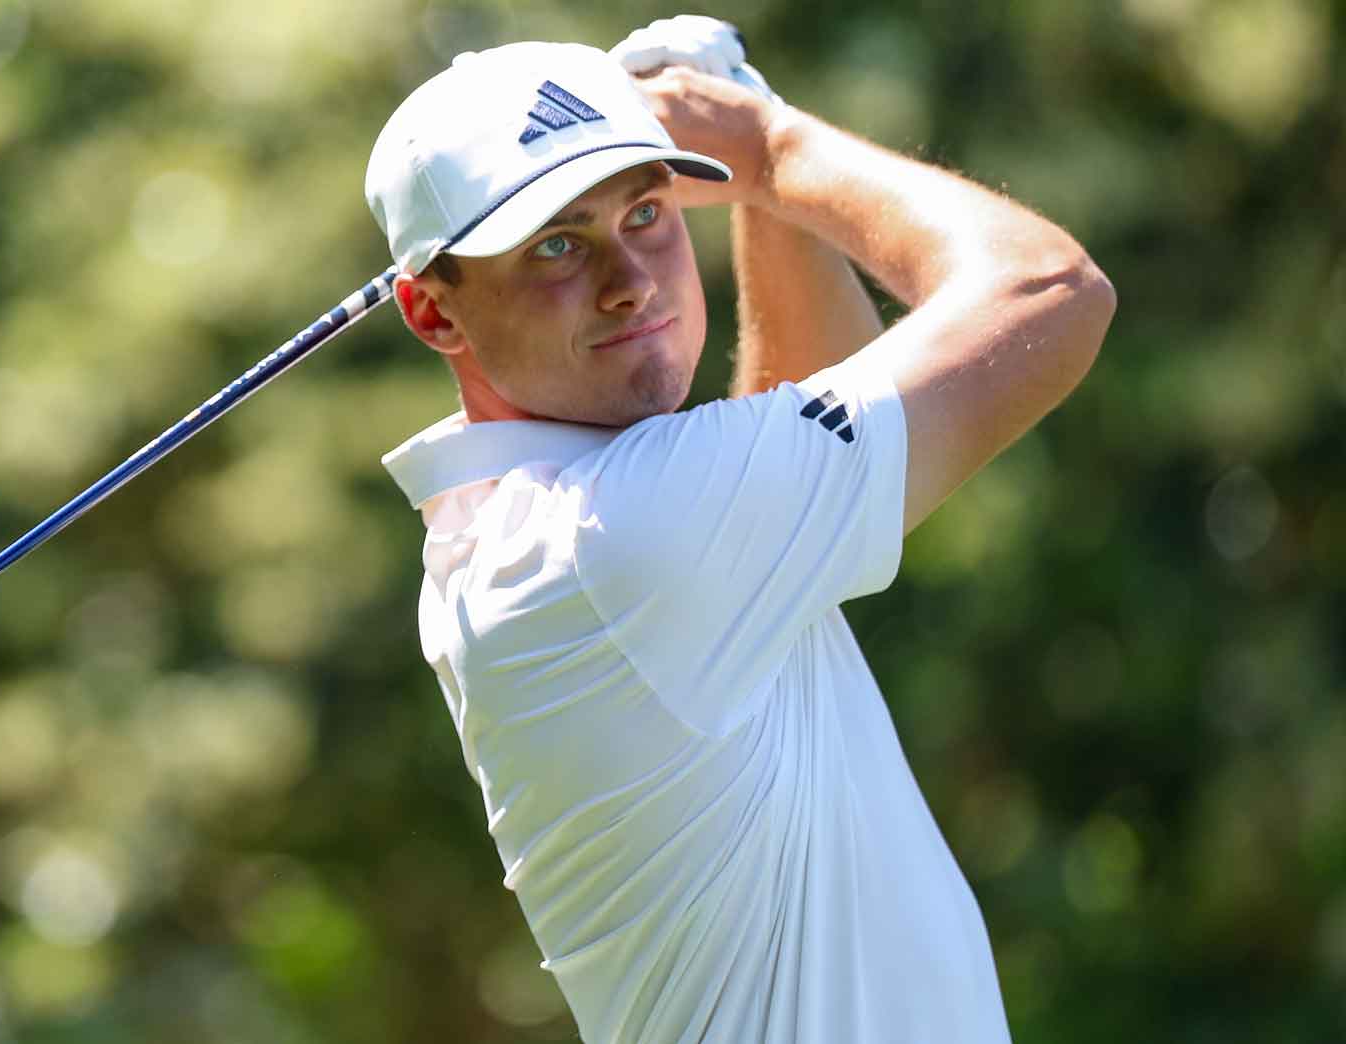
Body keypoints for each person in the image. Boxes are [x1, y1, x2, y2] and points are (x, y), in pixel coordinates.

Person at [365, 15, 1116, 1043]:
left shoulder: (543, 526)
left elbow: (791, 418)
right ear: (434, 312)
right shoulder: (609, 537)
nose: (627, 279)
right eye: (555, 244)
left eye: (644, 212)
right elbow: (1048, 293)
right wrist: (769, 146)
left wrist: (759, 195)